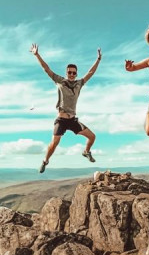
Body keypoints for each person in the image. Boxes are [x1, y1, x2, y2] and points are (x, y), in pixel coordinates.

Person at [30, 43, 101, 173]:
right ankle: (45, 161)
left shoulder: (80, 83)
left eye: (74, 72)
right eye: (69, 72)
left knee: (92, 137)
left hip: (73, 120)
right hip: (61, 120)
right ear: (66, 72)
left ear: (76, 73)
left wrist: (98, 60)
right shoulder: (60, 81)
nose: (72, 74)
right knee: (54, 143)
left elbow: (91, 72)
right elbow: (47, 69)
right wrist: (37, 55)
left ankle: (86, 152)